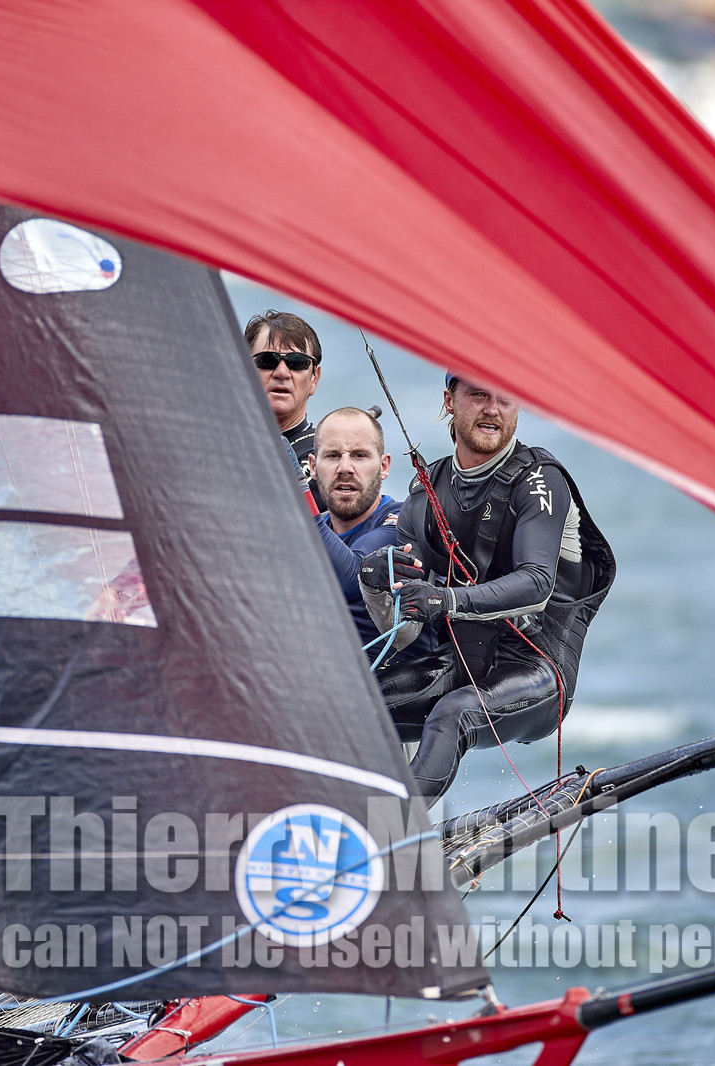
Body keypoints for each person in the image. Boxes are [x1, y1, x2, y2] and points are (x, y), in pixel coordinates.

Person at [358, 375, 615, 802]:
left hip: (536, 674)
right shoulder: (425, 494)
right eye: (478, 394)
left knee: (452, 716)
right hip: (459, 664)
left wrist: (445, 599)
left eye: (506, 398)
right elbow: (404, 627)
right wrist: (377, 580)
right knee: (357, 701)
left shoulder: (541, 482)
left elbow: (536, 584)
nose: (492, 409)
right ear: (448, 402)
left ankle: (389, 834)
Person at [308, 406, 422, 660]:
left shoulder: (404, 521)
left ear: (384, 466)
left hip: (399, 687)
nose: (345, 468)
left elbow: (354, 578)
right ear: (313, 467)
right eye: (333, 455)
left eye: (359, 455)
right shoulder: (313, 528)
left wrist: (296, 491)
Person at [246, 310, 327, 512]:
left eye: (297, 362)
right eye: (267, 360)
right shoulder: (217, 448)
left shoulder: (331, 459)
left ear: (314, 378)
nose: (282, 372)